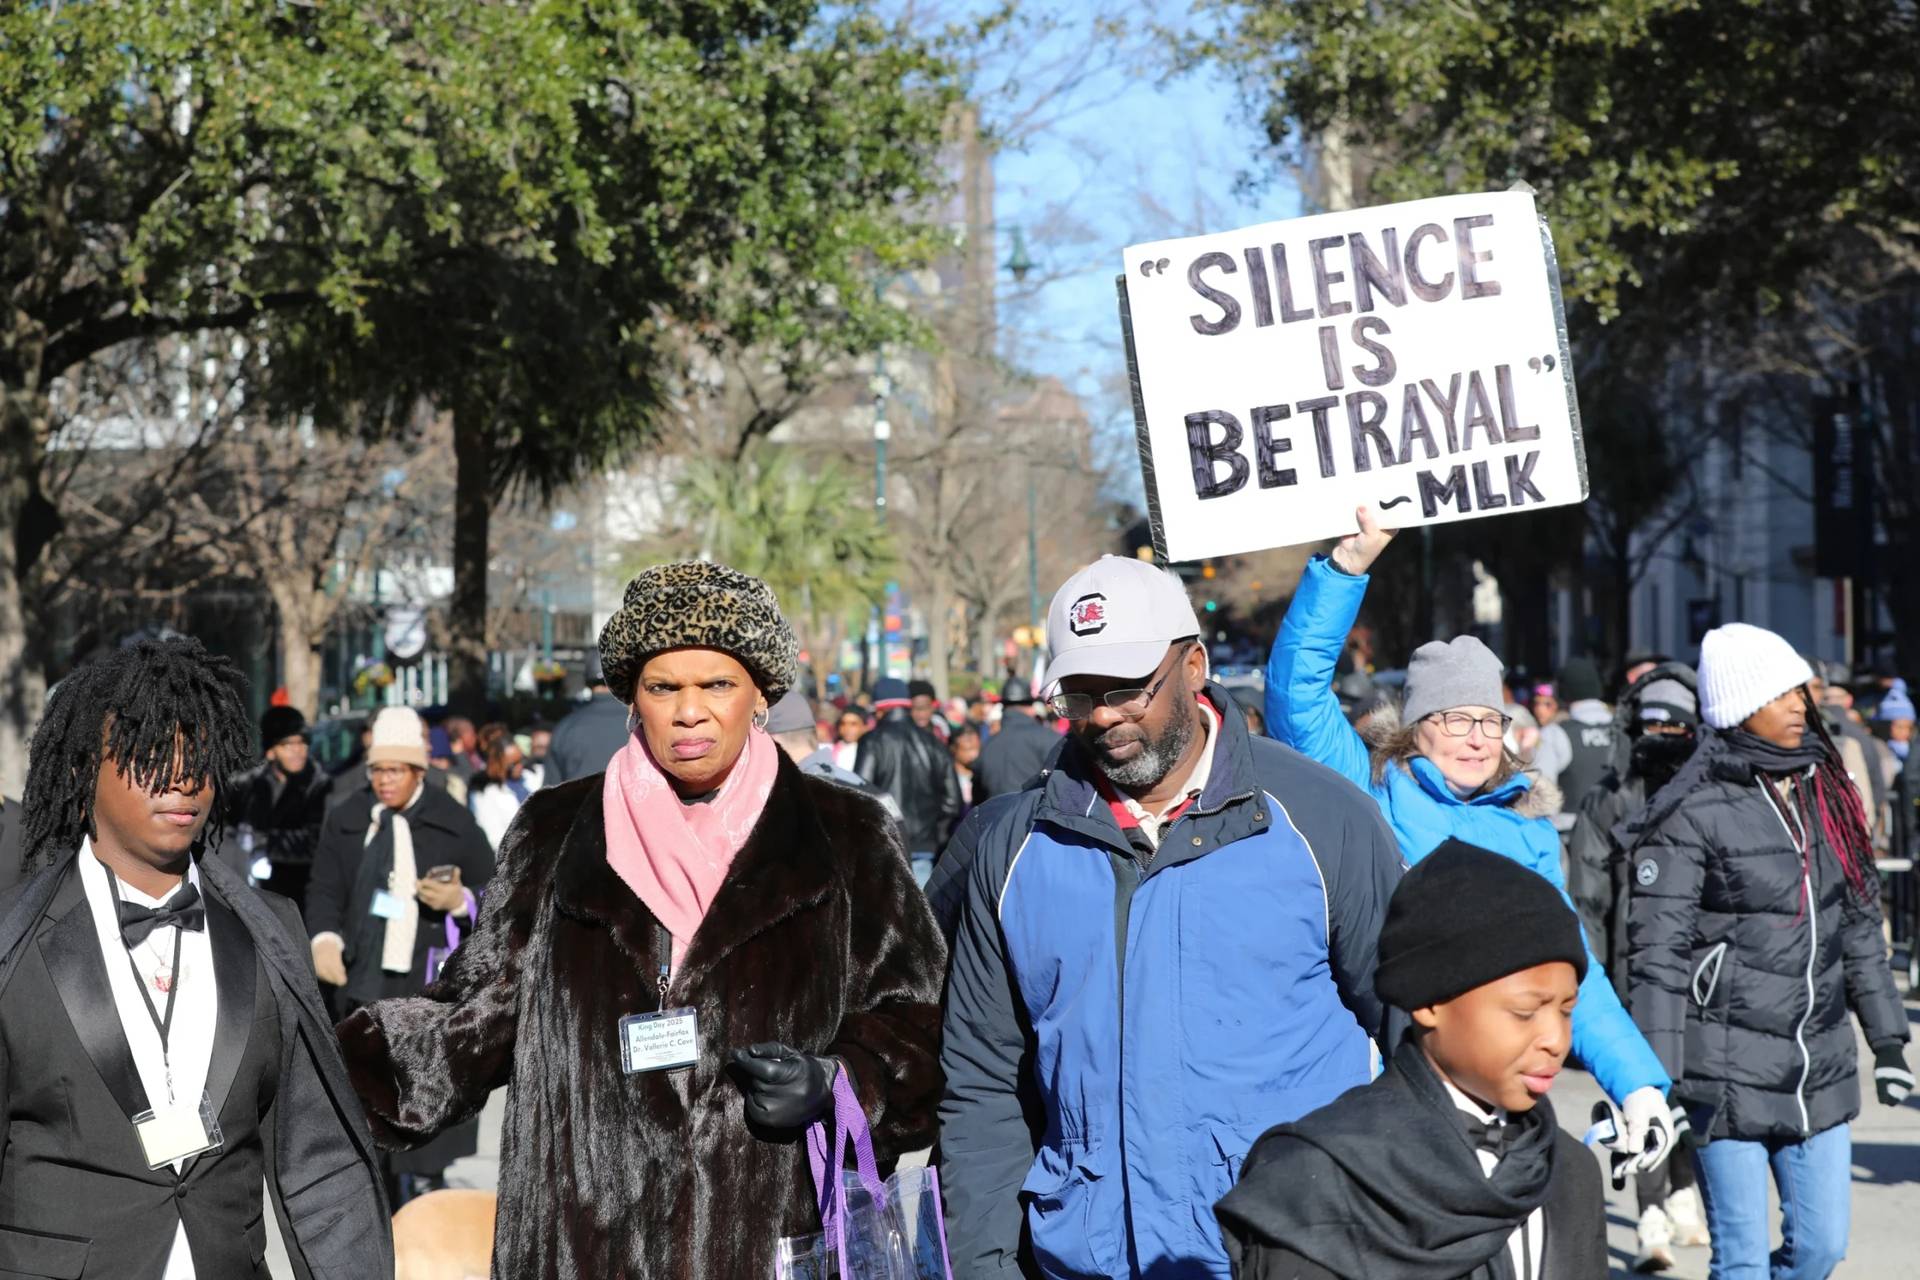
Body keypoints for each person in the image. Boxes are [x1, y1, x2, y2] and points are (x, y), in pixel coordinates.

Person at [335, 561, 945, 1280]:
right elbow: (480, 1015)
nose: (690, 711)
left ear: (759, 696)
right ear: (634, 698)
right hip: (583, 1244)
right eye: (664, 688)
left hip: (774, 1241)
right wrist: (321, 1055)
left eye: (716, 684)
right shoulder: (554, 830)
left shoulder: (846, 834)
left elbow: (915, 1020)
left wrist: (839, 1080)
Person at [939, 554, 1403, 1280]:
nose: (1101, 717)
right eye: (1078, 694)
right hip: (1085, 1261)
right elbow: (981, 1084)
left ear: (1193, 665)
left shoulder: (1322, 819)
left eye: (1126, 689)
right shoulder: (1014, 847)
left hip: (1295, 1257)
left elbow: (1414, 1037)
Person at [1264, 505, 1676, 1166]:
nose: (1477, 737)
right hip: (1384, 1085)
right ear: (1416, 725)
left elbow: (1570, 969)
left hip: (1496, 1096)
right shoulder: (1368, 789)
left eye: (1490, 719)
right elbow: (1295, 695)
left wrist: (1638, 1085)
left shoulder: (1528, 829)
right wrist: (1345, 570)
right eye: (1455, 719)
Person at [0, 636, 391, 1278]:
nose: (183, 778)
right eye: (150, 754)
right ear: (81, 770)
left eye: (198, 757)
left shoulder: (270, 929)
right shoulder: (15, 939)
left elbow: (320, 1160)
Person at [1624, 623, 1911, 1280]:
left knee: (1819, 1249)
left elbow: (1860, 927)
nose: (1798, 705)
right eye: (1780, 693)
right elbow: (1658, 955)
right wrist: (1656, 1078)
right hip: (1722, 1070)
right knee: (1744, 1262)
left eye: (1800, 692)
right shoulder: (1692, 808)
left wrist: (1889, 1043)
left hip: (1820, 1069)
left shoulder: (1825, 792)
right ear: (1737, 707)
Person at [1217, 839, 1606, 1280]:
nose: (1556, 1039)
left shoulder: (1570, 1173)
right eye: (1524, 1012)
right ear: (1430, 1001)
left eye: (1567, 1010)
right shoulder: (1319, 1182)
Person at [307, 706, 496, 1202]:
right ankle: (370, 1179)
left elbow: (497, 889)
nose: (384, 781)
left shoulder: (453, 822)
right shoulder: (349, 818)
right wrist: (323, 937)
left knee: (423, 1082)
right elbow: (324, 888)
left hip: (425, 977)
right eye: (377, 771)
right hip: (362, 979)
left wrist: (460, 900)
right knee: (366, 1083)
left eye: (395, 771)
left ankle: (423, 1185)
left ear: (418, 771)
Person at [1566, 664, 1708, 1271]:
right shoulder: (1608, 798)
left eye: (1674, 723)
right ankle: (1651, 1213)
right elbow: (1589, 895)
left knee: (1689, 1089)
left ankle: (1682, 1191)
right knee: (1643, 1089)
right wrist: (1590, 976)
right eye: (1651, 721)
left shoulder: (1711, 794)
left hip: (1701, 974)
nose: (1661, 732)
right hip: (1628, 971)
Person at [225, 704, 334, 910]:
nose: (297, 751)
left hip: (298, 896)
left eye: (302, 743)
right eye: (287, 744)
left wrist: (265, 841)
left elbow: (316, 841)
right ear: (272, 751)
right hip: (248, 891)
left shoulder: (318, 785)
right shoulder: (248, 785)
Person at [855, 675, 961, 886]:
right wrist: (933, 834)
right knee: (922, 911)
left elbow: (860, 794)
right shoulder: (933, 743)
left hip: (884, 844)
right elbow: (952, 802)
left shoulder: (872, 741)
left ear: (879, 708)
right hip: (923, 847)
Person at [1533, 656, 1616, 823]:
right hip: (1621, 832)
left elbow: (1542, 794)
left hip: (1572, 834)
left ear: (1563, 692)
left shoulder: (1555, 733)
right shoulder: (1623, 730)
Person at [969, 675, 1060, 803]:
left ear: (1003, 708)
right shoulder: (1051, 739)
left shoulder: (988, 745)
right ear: (1031, 706)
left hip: (997, 820)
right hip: (1037, 821)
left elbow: (977, 798)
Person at [546, 654, 630, 782]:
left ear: (587, 682)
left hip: (578, 801)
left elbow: (549, 794)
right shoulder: (641, 724)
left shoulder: (566, 727)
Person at [467, 733, 533, 852]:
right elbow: (494, 839)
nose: (520, 766)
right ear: (499, 765)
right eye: (514, 764)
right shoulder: (485, 795)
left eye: (521, 760)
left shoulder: (531, 777)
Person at [949, 723, 981, 813]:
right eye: (968, 749)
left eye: (977, 748)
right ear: (954, 748)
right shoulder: (947, 776)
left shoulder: (980, 775)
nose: (974, 754)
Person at [831, 705, 869, 771]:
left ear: (864, 727)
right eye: (843, 724)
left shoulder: (868, 752)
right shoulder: (829, 750)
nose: (847, 728)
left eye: (853, 724)